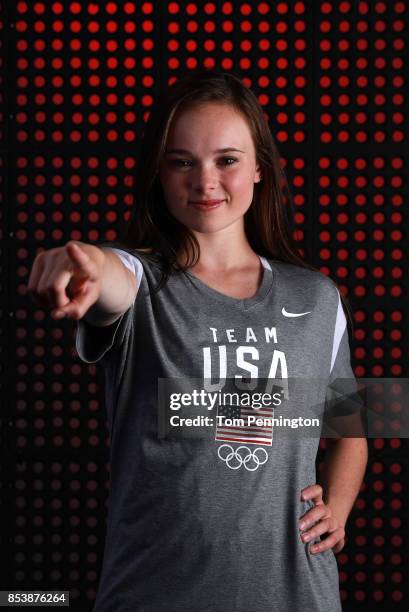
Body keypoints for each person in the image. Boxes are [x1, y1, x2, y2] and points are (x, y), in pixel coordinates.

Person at [28, 70, 368, 611]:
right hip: (155, 593)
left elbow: (350, 424)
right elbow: (110, 274)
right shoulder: (142, 283)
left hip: (297, 594)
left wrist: (339, 507)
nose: (205, 181)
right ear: (160, 176)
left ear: (260, 168)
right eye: (182, 161)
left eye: (226, 160)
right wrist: (80, 259)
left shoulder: (318, 297)